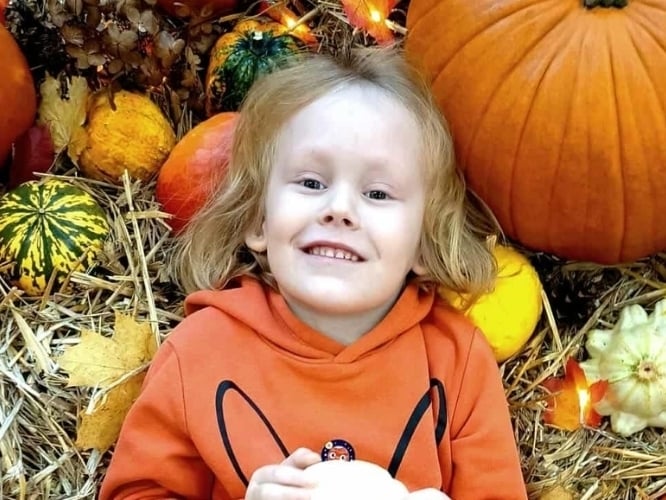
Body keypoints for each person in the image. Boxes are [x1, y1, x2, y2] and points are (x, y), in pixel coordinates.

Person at [99, 46, 527, 500]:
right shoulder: (200, 351)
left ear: (424, 241)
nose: (339, 208)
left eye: (378, 193)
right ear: (258, 220)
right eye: (311, 183)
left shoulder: (457, 362)